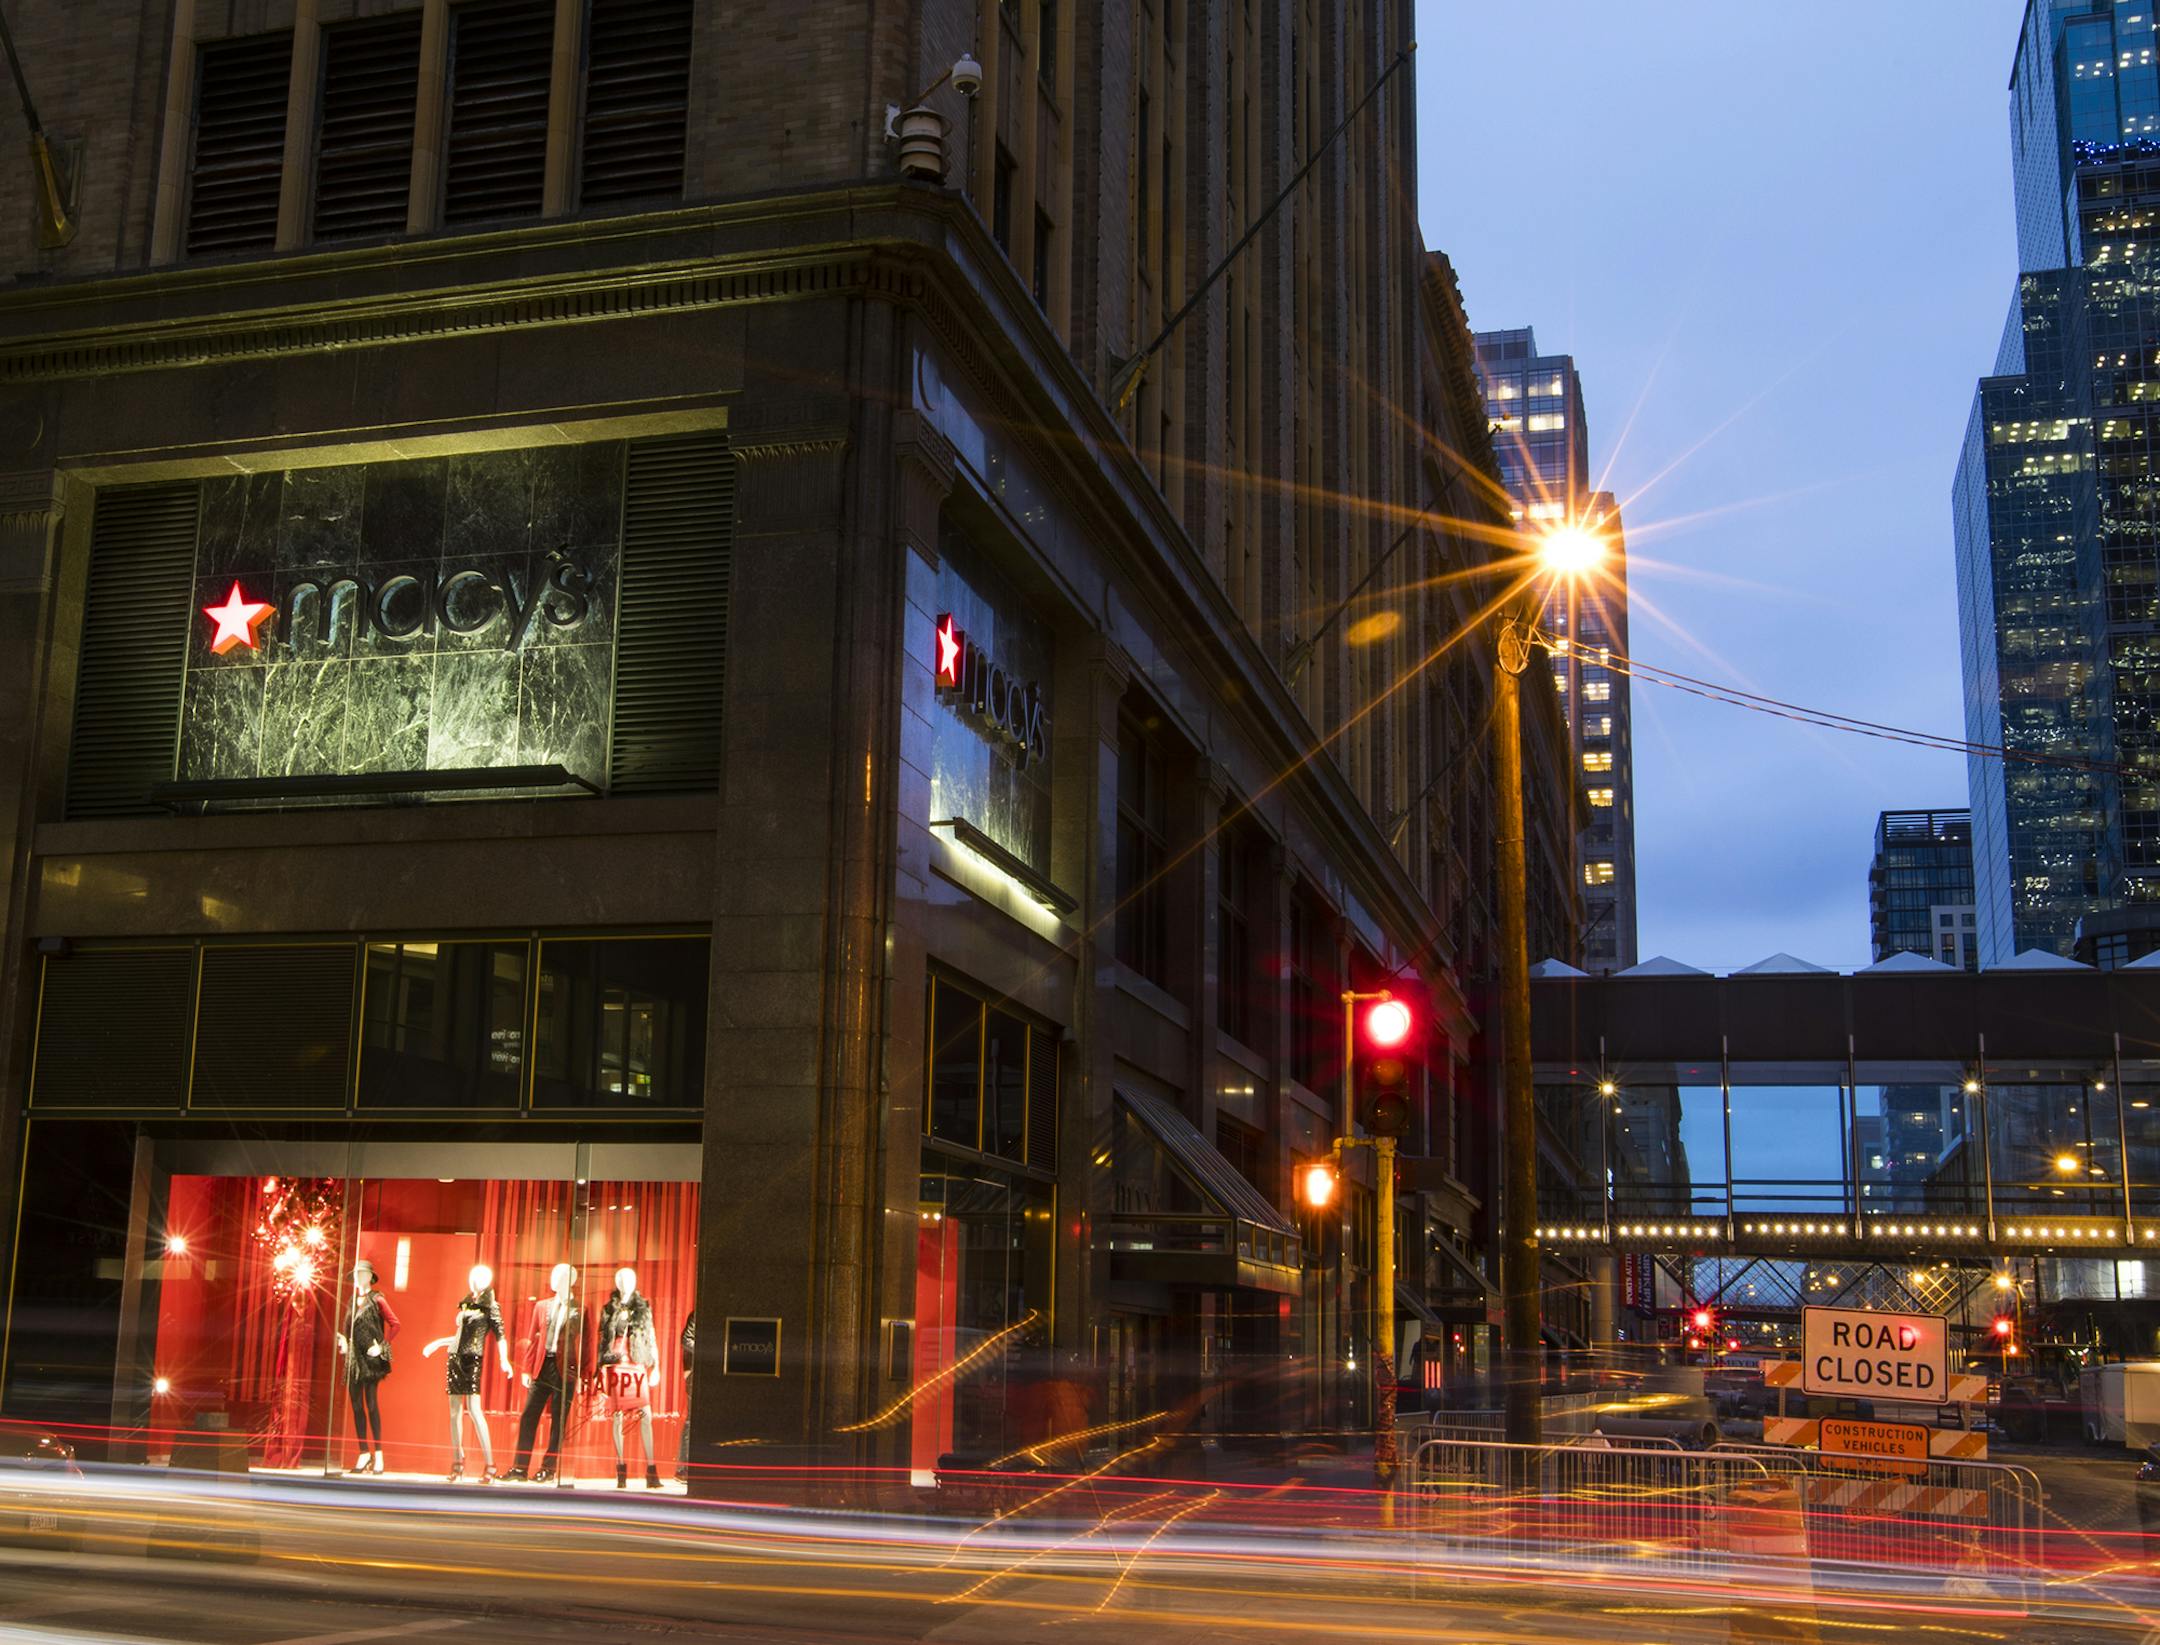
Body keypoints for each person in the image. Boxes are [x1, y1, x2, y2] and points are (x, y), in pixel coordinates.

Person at [421, 1264, 513, 1481]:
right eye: (475, 1277)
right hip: (455, 1358)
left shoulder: (491, 1306)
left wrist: (504, 1359)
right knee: (454, 1412)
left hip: (472, 1359)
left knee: (474, 1410)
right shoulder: (466, 1304)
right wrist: (437, 1344)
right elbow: (458, 1336)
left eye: (483, 1278)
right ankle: (457, 1461)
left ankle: (490, 1464)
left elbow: (500, 1335)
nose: (478, 1281)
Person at [505, 1263, 579, 1483]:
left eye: (561, 1276)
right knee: (528, 1415)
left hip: (565, 1369)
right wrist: (527, 1369)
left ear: (570, 1280)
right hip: (541, 1365)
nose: (555, 1279)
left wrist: (585, 1373)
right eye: (554, 1275)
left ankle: (548, 1468)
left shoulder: (581, 1308)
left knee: (558, 1419)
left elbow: (588, 1342)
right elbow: (532, 1338)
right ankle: (520, 1468)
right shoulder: (541, 1306)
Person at [597, 1266, 661, 1489]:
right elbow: (603, 1339)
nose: (626, 1282)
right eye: (622, 1279)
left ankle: (651, 1470)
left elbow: (651, 1335)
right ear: (616, 1282)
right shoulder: (609, 1309)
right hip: (616, 1364)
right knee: (617, 1416)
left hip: (637, 1364)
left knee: (646, 1413)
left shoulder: (643, 1308)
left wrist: (657, 1366)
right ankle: (621, 1469)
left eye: (630, 1279)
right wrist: (600, 1367)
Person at [334, 1259, 399, 1476]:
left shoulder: (377, 1299)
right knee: (355, 1405)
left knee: (371, 1404)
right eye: (357, 1275)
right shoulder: (352, 1300)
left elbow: (395, 1323)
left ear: (370, 1277)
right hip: (354, 1358)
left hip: (371, 1358)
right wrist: (343, 1340)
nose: (359, 1278)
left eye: (363, 1274)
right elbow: (345, 1328)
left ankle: (378, 1452)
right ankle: (364, 1451)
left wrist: (381, 1347)